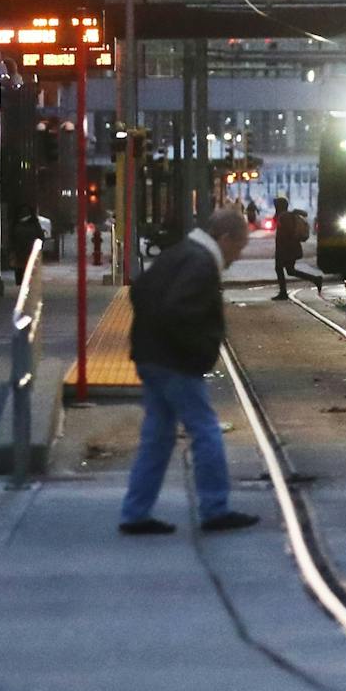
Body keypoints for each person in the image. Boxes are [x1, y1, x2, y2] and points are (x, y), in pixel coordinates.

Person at [120, 208, 258, 535]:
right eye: (238, 247)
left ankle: (135, 512)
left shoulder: (178, 253)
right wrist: (201, 349)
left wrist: (151, 332)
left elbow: (140, 291)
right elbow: (178, 310)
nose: (237, 257)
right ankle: (215, 508)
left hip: (150, 356)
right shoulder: (201, 263)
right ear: (224, 238)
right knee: (206, 430)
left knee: (158, 435)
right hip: (175, 362)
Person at [272, 196, 323, 300]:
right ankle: (315, 279)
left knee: (280, 268)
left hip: (287, 249)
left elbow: (288, 232)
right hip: (289, 248)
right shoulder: (286, 215)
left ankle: (283, 293)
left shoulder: (284, 217)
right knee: (290, 270)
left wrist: (283, 246)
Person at [9, 205, 48, 285]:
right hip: (30, 251)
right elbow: (40, 237)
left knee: (21, 268)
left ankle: (21, 281)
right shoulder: (34, 224)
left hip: (20, 251)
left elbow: (12, 238)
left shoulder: (17, 224)